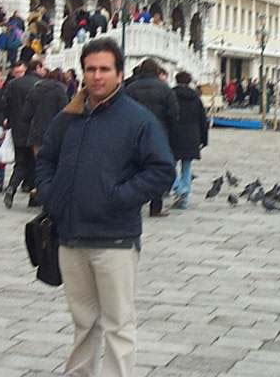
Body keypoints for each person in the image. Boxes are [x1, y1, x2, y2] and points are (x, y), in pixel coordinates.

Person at [35, 37, 175, 377]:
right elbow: (45, 158)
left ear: (119, 74)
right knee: (83, 322)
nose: (97, 76)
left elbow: (161, 170)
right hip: (70, 237)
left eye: (104, 69)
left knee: (118, 324)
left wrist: (117, 197)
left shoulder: (138, 120)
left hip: (115, 239)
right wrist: (52, 194)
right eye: (90, 69)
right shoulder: (69, 116)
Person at [125, 58, 179, 218]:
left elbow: (122, 109)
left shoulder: (131, 88)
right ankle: (156, 207)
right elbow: (174, 113)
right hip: (159, 133)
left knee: (134, 169)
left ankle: (133, 203)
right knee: (157, 169)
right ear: (157, 71)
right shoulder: (165, 89)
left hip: (134, 132)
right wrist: (168, 130)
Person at [0, 59, 43, 209]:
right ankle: (33, 197)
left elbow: (3, 103)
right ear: (37, 68)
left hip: (17, 129)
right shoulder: (40, 84)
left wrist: (6, 118)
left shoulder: (13, 84)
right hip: (35, 130)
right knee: (34, 163)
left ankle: (11, 188)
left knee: (20, 163)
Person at [169, 71, 209, 210]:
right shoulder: (196, 98)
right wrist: (204, 139)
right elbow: (203, 120)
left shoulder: (170, 95)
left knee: (170, 166)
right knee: (187, 168)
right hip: (192, 136)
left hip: (173, 135)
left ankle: (178, 188)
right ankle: (184, 198)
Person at [22, 68, 69, 155]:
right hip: (55, 134)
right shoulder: (61, 91)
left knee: (39, 160)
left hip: (36, 134)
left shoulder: (35, 89)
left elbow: (26, 114)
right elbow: (65, 114)